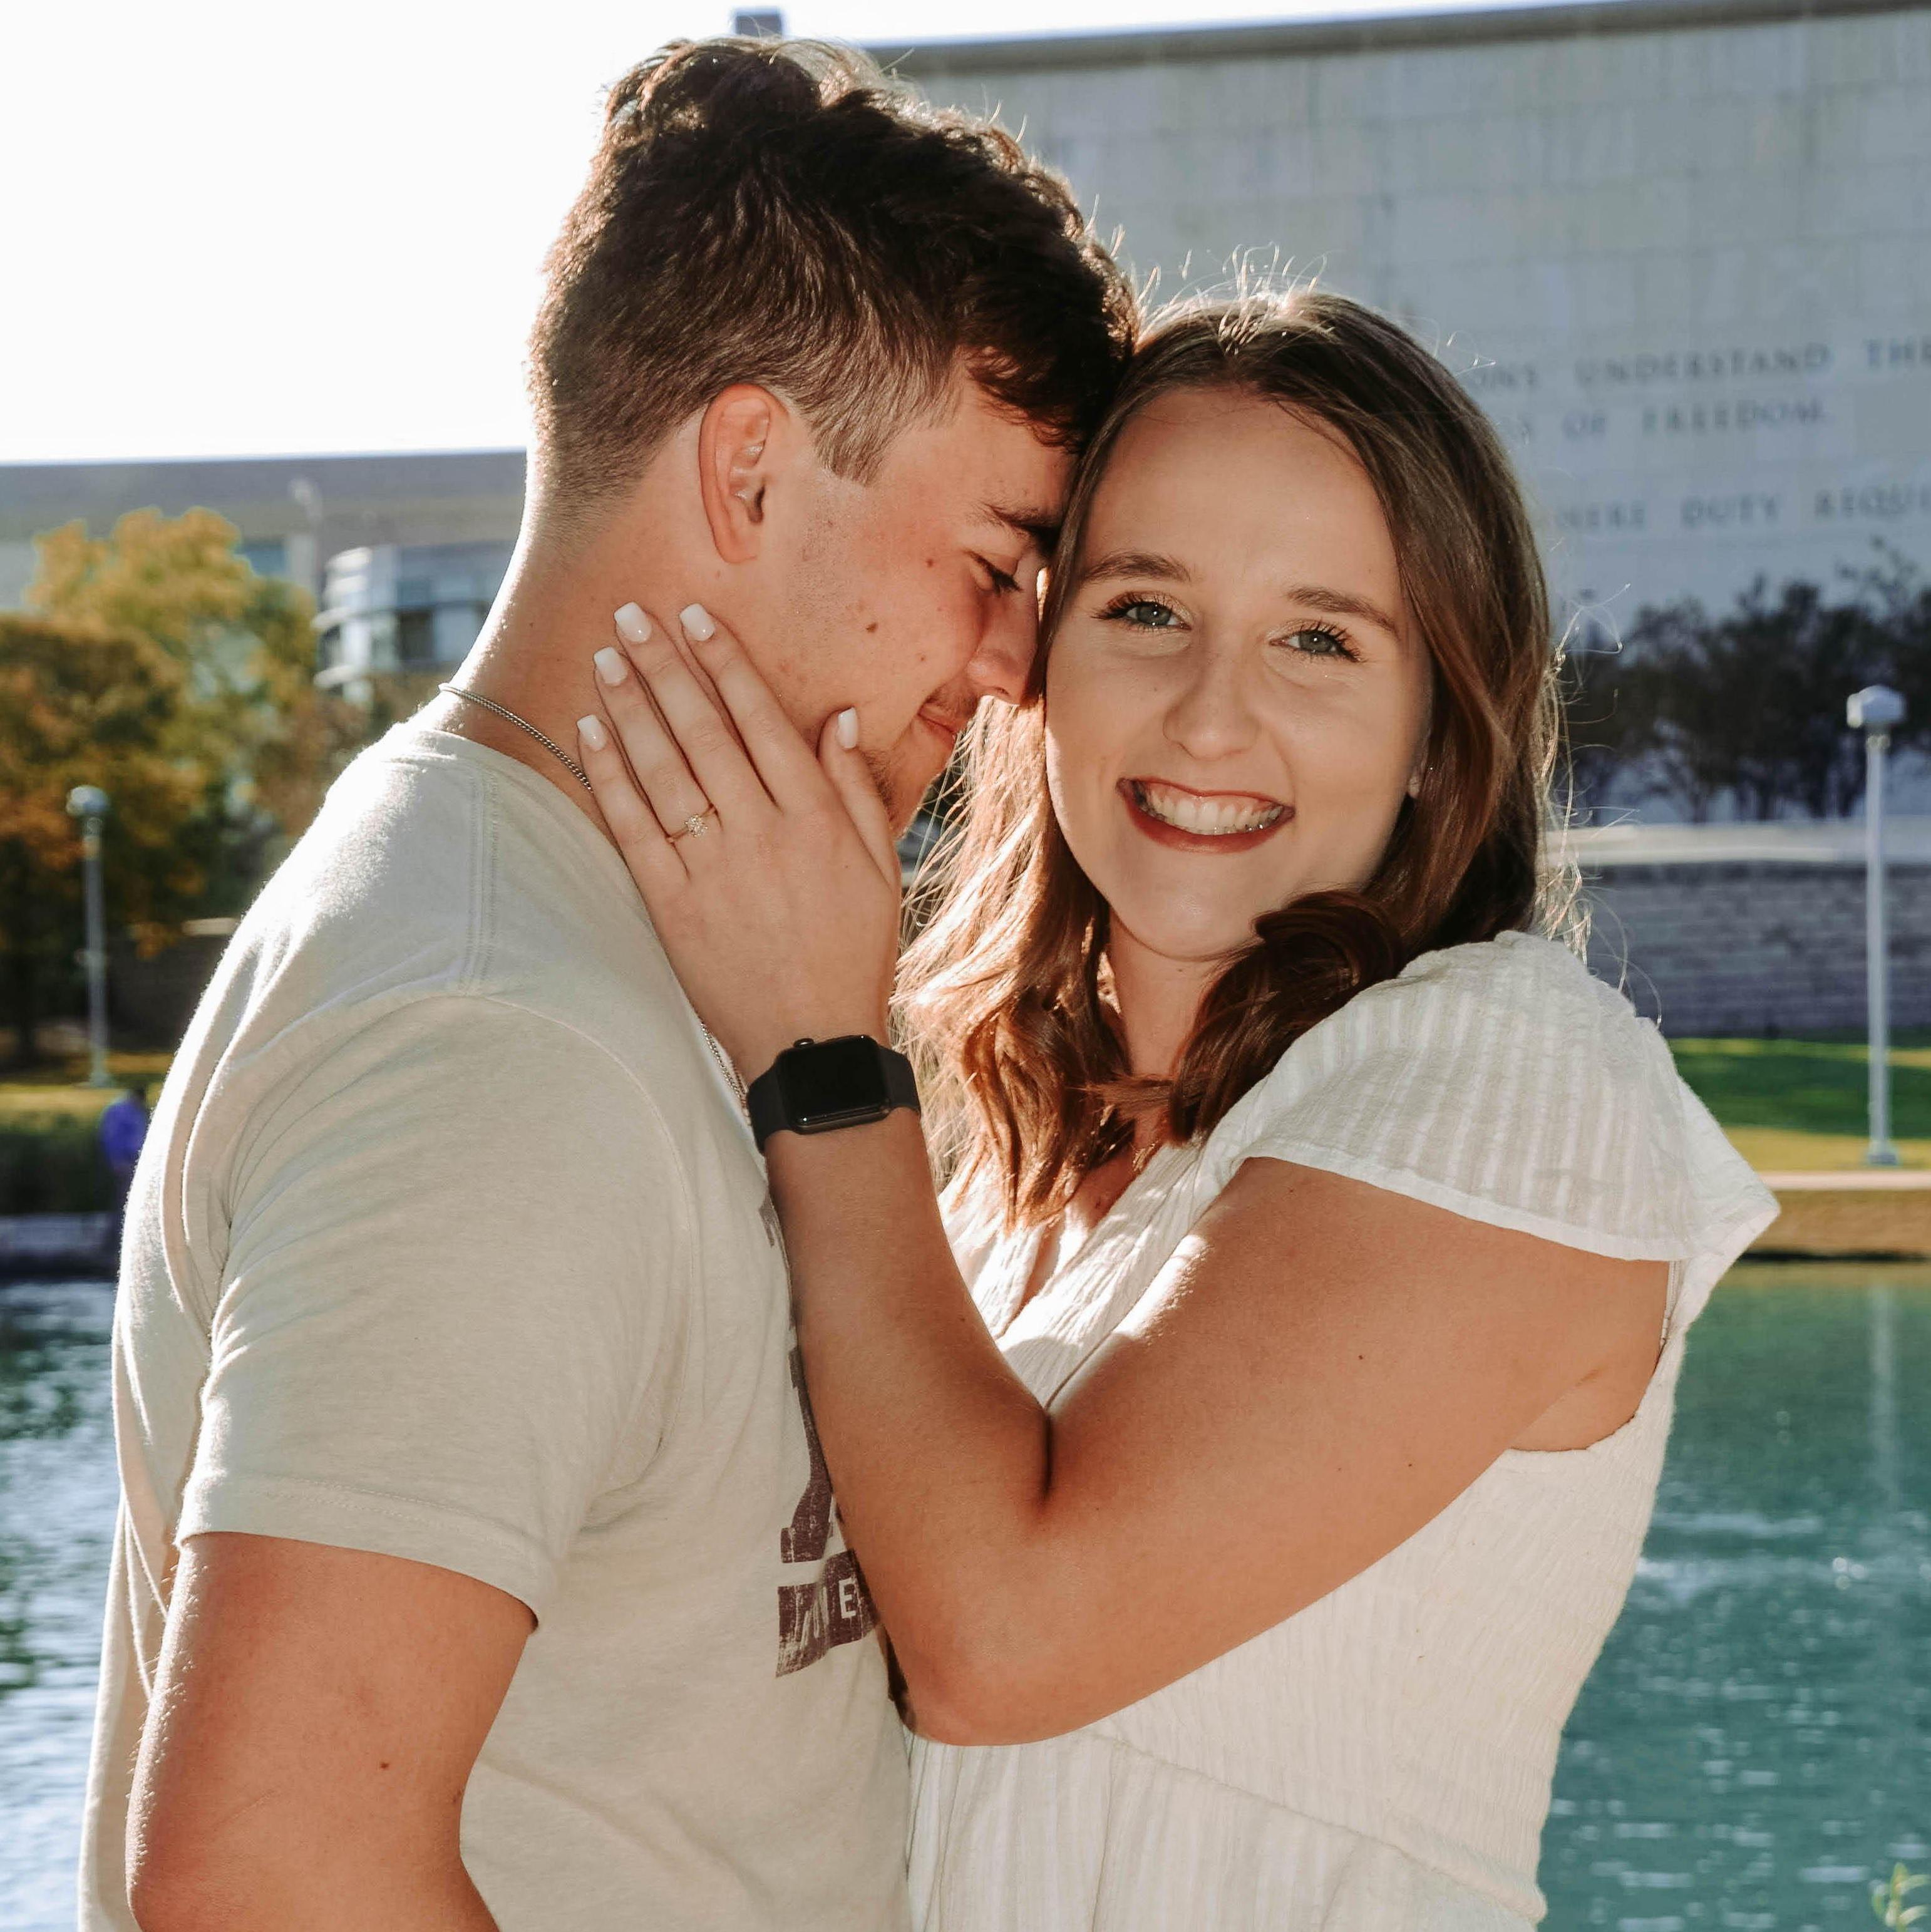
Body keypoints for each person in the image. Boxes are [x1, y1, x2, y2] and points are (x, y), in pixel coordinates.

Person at [85, 36, 1131, 1932]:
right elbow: (266, 1875)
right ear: (746, 465)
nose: (1011, 670)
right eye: (995, 561)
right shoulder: (500, 1038)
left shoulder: (582, 937)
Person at [574, 289, 1780, 1930]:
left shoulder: (1513, 1077)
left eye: (1318, 638)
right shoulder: (986, 1192)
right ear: (1040, 661)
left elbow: (1005, 1634)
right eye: (1146, 609)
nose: (1212, 716)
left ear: (1439, 730)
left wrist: (816, 1044)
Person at [96, 1082, 148, 1252]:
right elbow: (112, 1138)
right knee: (123, 1204)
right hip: (125, 1164)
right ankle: (115, 1245)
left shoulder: (135, 1110)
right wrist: (117, 1162)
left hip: (136, 1165)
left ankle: (121, 1243)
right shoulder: (121, 1111)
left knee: (128, 1203)